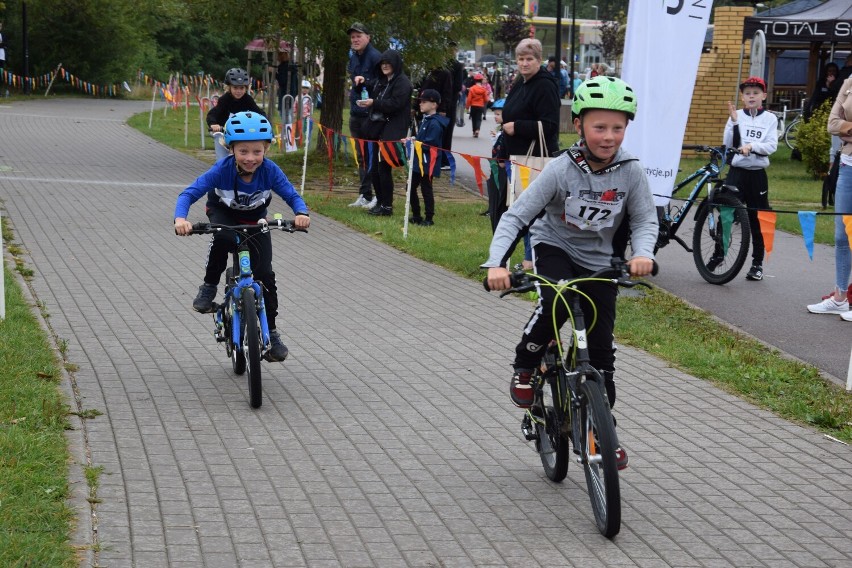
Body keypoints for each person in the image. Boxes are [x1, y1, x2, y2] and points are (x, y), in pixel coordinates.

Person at [483, 77, 658, 470]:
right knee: (554, 303)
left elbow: (646, 219)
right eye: (600, 127)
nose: (609, 136)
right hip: (556, 248)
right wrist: (496, 263)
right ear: (578, 125)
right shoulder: (562, 169)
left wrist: (642, 253)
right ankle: (525, 367)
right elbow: (517, 217)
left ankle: (601, 427)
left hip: (601, 262)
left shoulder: (630, 171)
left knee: (602, 354)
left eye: (618, 127)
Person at [173, 112, 311, 361]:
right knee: (222, 238)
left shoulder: (270, 171)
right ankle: (209, 286)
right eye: (243, 151)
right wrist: (181, 219)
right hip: (223, 213)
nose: (250, 158)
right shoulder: (221, 170)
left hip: (254, 220)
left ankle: (271, 333)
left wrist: (301, 212)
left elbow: (291, 195)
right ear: (231, 149)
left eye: (257, 151)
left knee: (266, 275)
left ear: (267, 149)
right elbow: (188, 194)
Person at [723, 76, 778, 282]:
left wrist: (752, 146)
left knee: (758, 218)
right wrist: (734, 123)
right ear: (743, 97)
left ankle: (757, 264)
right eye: (747, 93)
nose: (751, 96)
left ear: (763, 95)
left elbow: (771, 146)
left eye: (756, 93)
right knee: (726, 216)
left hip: (757, 175)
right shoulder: (736, 115)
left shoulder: (771, 119)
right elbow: (728, 143)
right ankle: (719, 255)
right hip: (737, 173)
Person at [807, 73, 852, 321]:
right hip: (847, 166)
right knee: (842, 234)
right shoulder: (849, 83)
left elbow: (841, 127)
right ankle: (840, 298)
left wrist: (847, 129)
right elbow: (832, 124)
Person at [355, 49, 413, 216]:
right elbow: (372, 87)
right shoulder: (383, 81)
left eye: (388, 63)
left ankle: (387, 206)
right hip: (378, 129)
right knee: (375, 170)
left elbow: (395, 104)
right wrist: (362, 82)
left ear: (395, 64)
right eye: (383, 63)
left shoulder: (402, 83)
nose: (385, 66)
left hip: (393, 130)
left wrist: (374, 102)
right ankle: (380, 202)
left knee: (384, 168)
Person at [501, 38, 560, 160]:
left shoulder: (545, 86)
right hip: (516, 157)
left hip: (534, 158)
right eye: (521, 59)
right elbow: (508, 119)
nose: (524, 63)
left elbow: (550, 125)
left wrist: (517, 127)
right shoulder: (521, 82)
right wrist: (502, 154)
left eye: (529, 59)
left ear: (538, 61)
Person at [346, 22, 383, 209]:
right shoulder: (353, 56)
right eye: (352, 37)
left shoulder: (376, 57)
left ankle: (377, 194)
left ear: (368, 37)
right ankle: (365, 194)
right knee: (361, 156)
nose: (355, 39)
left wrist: (366, 81)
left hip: (371, 114)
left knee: (372, 155)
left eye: (358, 36)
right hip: (355, 112)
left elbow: (384, 82)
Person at [408, 89, 449, 226]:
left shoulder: (435, 123)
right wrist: (414, 139)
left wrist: (415, 143)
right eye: (420, 102)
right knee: (411, 186)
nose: (421, 104)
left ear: (434, 105)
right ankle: (416, 214)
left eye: (424, 102)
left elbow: (430, 144)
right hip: (418, 160)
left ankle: (429, 217)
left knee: (426, 188)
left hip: (427, 162)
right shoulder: (426, 120)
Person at [206, 68, 265, 161]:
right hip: (223, 134)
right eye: (235, 88)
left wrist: (263, 122)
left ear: (246, 88)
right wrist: (213, 124)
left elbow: (259, 113)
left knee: (246, 159)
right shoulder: (224, 100)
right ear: (229, 87)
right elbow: (212, 114)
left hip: (240, 134)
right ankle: (222, 172)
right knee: (222, 160)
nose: (238, 91)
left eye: (241, 88)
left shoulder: (248, 100)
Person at [465, 73, 488, 138]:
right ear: (481, 81)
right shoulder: (483, 89)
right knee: (478, 118)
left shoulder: (472, 89)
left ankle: (474, 131)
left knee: (473, 119)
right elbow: (486, 99)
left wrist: (467, 106)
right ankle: (477, 130)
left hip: (473, 106)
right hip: (480, 106)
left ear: (475, 81)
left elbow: (469, 99)